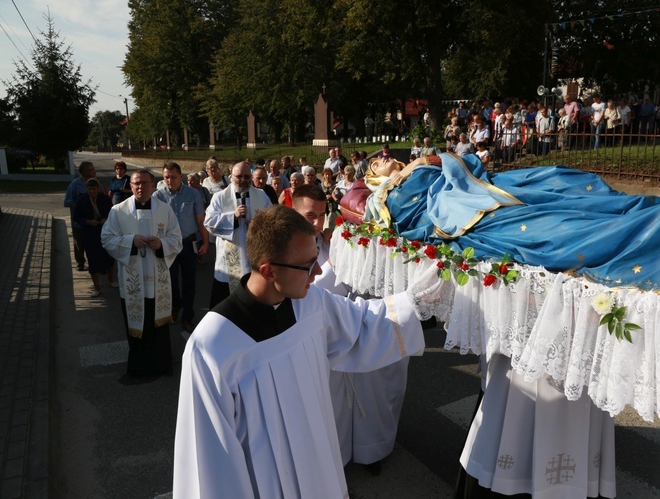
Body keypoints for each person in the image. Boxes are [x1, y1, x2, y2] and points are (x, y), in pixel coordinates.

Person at [173, 203, 449, 498]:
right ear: (268, 270)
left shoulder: (310, 302)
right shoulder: (212, 345)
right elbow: (210, 461)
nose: (318, 271)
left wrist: (420, 300)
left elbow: (364, 324)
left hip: (321, 470)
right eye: (307, 264)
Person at [101, 169, 183, 378]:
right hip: (133, 283)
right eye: (136, 183)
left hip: (158, 281)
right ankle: (139, 369)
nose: (140, 187)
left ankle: (161, 367)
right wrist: (130, 242)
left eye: (144, 183)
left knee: (159, 327)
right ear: (131, 185)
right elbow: (107, 239)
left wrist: (161, 243)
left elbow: (177, 238)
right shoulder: (118, 211)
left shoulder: (165, 210)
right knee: (137, 326)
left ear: (152, 184)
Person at [204, 161, 272, 309]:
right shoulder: (220, 197)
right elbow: (208, 223)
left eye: (247, 176)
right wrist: (232, 217)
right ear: (231, 177)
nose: (243, 180)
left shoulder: (261, 196)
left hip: (254, 260)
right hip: (227, 264)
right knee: (224, 307)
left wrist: (257, 225)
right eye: (239, 176)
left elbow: (272, 222)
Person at [153, 162, 209, 333]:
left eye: (173, 177)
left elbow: (200, 220)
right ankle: (175, 306)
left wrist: (205, 242)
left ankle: (187, 316)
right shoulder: (158, 196)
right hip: (167, 245)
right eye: (166, 177)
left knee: (189, 282)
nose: (170, 180)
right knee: (170, 282)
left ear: (181, 176)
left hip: (188, 243)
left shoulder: (193, 194)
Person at [73, 178, 116, 297]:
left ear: (98, 188)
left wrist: (105, 219)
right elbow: (77, 217)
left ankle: (111, 280)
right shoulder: (82, 200)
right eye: (89, 189)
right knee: (92, 259)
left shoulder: (105, 199)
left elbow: (113, 213)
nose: (91, 191)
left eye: (94, 189)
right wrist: (88, 222)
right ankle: (97, 287)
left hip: (105, 232)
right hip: (89, 233)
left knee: (109, 256)